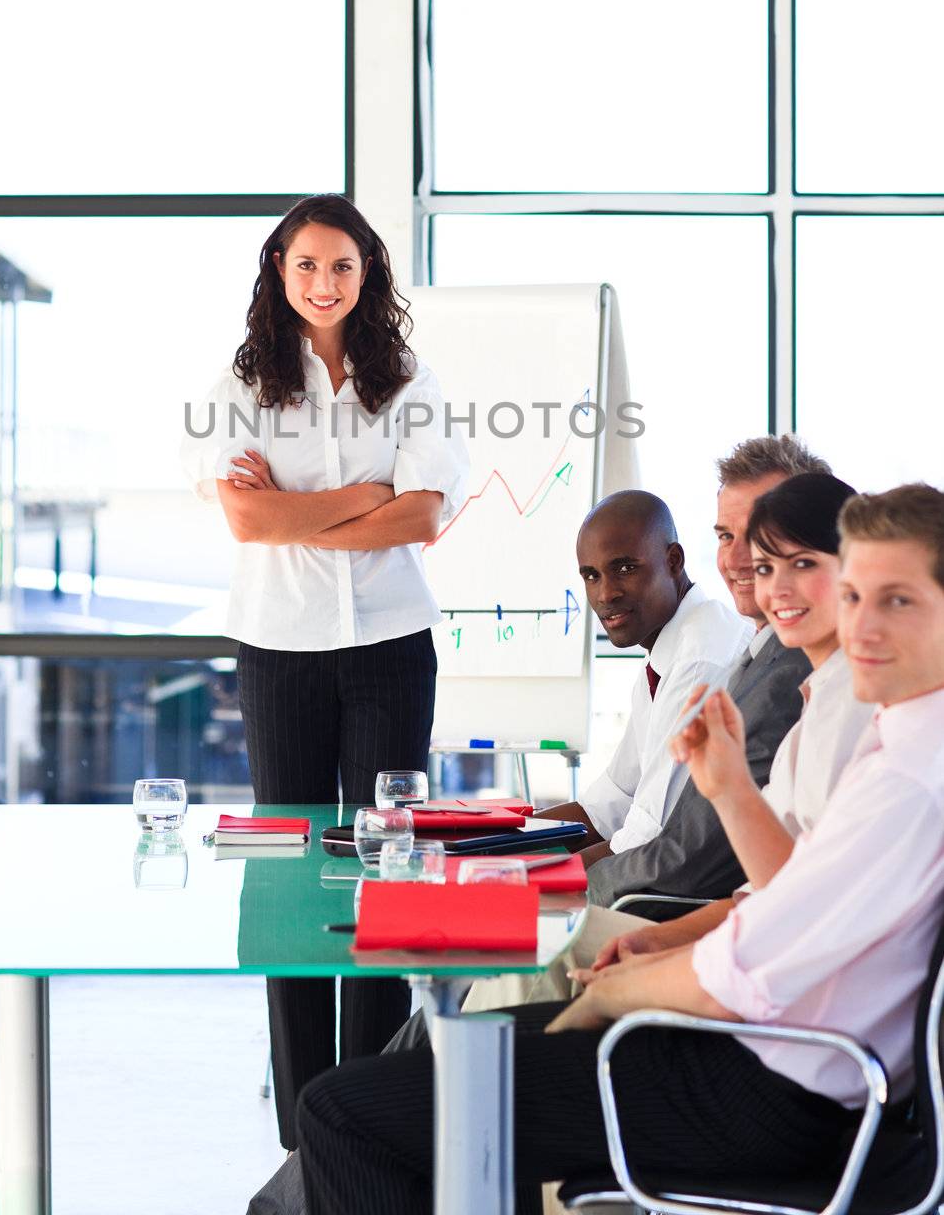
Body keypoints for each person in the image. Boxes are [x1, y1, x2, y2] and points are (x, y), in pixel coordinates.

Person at [295, 483, 944, 1215]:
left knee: (342, 1113)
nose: (860, 628)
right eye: (854, 597)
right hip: (777, 1062)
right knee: (459, 1055)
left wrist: (613, 995)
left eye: (897, 602)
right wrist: (726, 794)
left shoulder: (903, 775)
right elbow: (784, 899)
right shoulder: (899, 737)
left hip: (772, 1087)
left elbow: (743, 976)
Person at [180, 193, 468, 1151]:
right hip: (278, 649)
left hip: (391, 646)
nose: (322, 282)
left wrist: (309, 510)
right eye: (304, 265)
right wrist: (365, 500)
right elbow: (246, 522)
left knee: (384, 865)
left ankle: (370, 1109)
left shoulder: (409, 379)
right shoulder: (241, 382)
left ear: (367, 275)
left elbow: (424, 518)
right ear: (278, 271)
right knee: (288, 876)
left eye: (340, 266)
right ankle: (305, 1123)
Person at [591, 467, 872, 969]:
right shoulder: (808, 695)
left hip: (768, 1001)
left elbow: (797, 925)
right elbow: (769, 894)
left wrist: (651, 974)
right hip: (727, 948)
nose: (771, 583)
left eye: (801, 561)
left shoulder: (844, 713)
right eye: (763, 563)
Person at [536, 488, 751, 866]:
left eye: (625, 568)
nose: (606, 594)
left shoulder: (701, 658)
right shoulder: (665, 655)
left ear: (673, 561)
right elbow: (608, 805)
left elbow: (647, 835)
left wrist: (518, 877)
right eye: (591, 575)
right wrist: (493, 841)